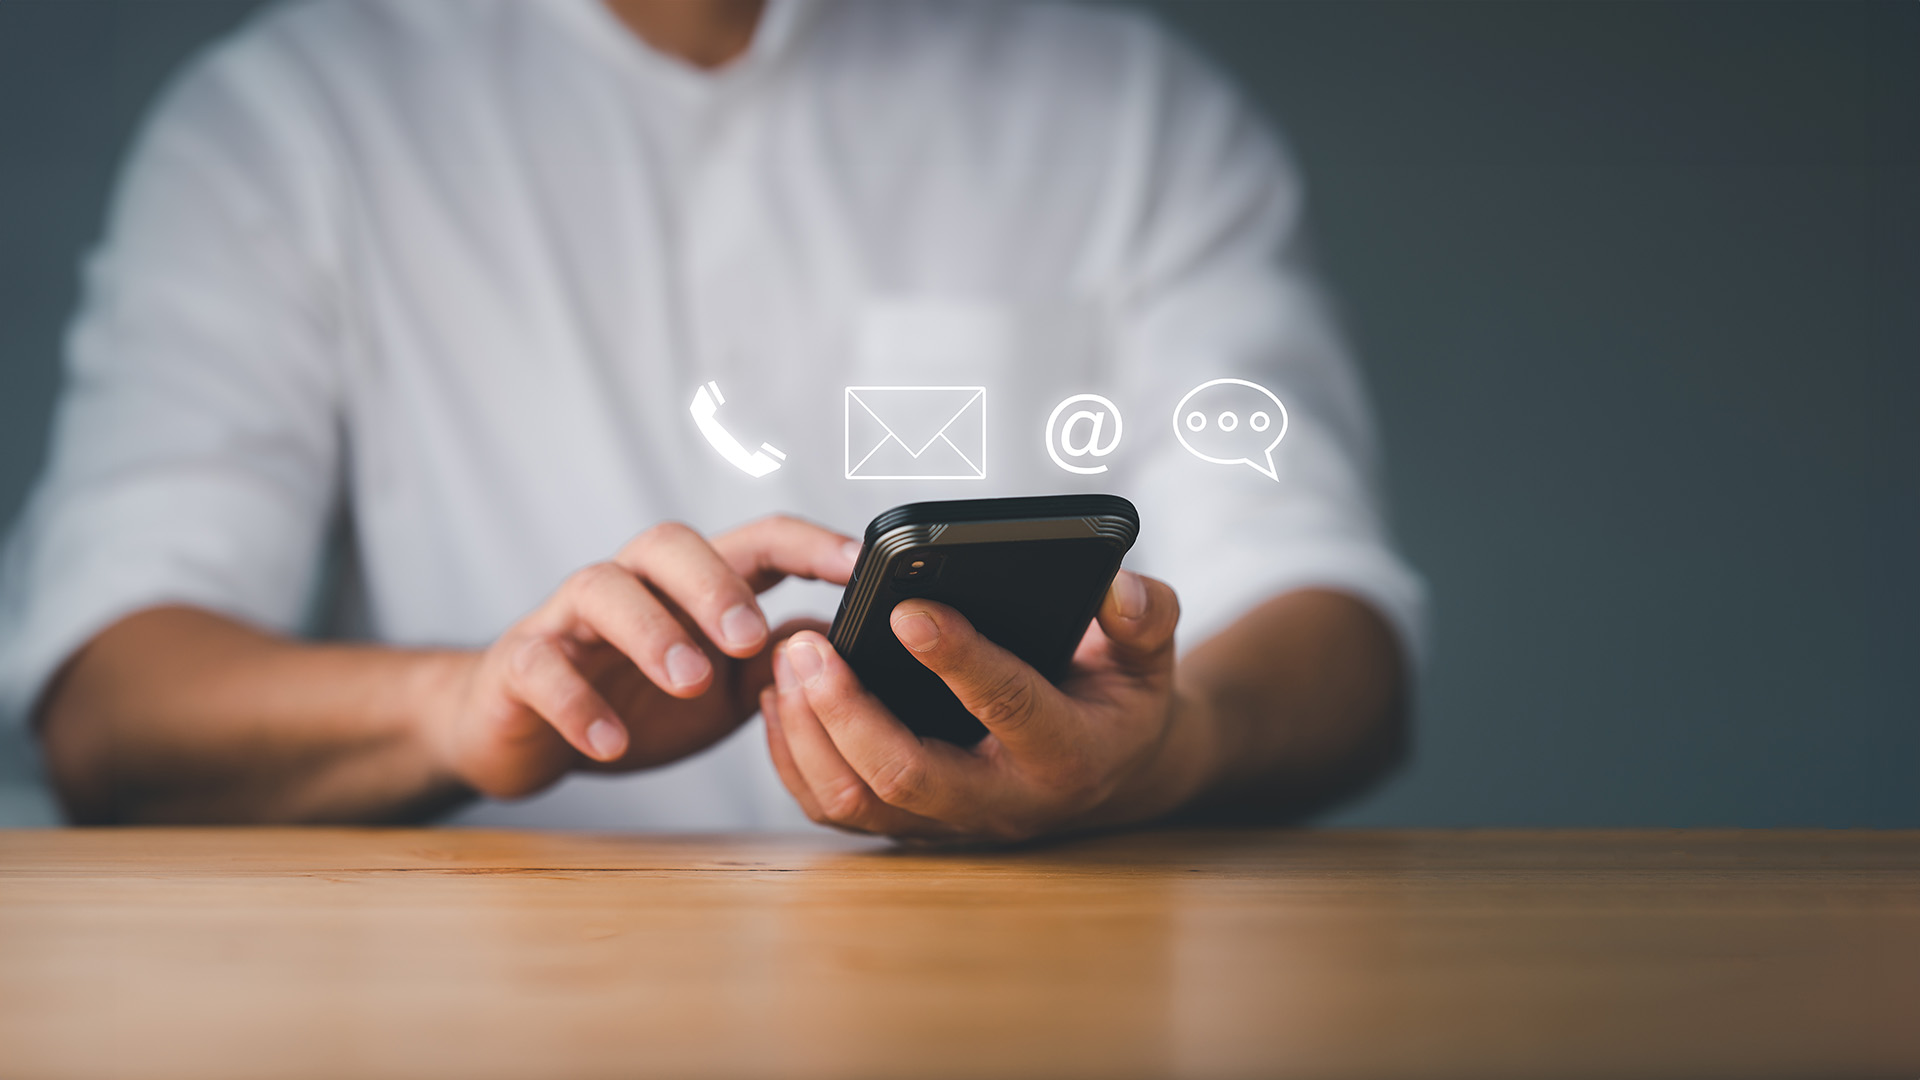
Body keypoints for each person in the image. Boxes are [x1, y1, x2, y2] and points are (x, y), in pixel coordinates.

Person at [0, 0, 1424, 839]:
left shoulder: (1128, 110)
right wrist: (461, 708)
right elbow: (111, 694)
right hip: (500, 1009)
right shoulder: (289, 121)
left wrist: (1169, 752)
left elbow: (1332, 623)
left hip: (1034, 1008)